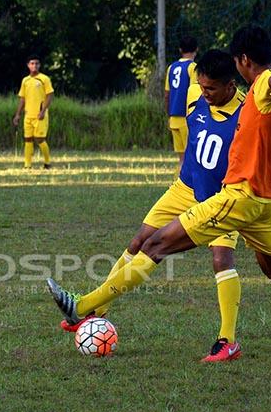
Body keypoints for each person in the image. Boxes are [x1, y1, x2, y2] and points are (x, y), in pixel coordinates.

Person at [47, 26, 271, 370]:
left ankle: (83, 304)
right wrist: (262, 149)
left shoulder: (264, 85)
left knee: (156, 245)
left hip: (238, 196)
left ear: (243, 61)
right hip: (265, 203)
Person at [59, 49, 247, 362]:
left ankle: (227, 340)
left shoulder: (247, 110)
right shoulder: (193, 95)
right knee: (139, 240)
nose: (204, 93)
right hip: (184, 187)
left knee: (221, 259)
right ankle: (96, 306)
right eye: (201, 86)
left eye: (211, 88)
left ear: (230, 85)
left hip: (220, 198)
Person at [13, 54, 54, 169]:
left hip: (40, 115)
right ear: (28, 65)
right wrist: (17, 115)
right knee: (27, 139)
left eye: (36, 63)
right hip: (28, 115)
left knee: (40, 139)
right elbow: (22, 98)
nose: (34, 65)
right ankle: (27, 165)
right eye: (32, 63)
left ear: (39, 65)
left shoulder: (44, 79)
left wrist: (43, 111)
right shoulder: (25, 80)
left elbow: (50, 95)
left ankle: (47, 163)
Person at [165, 36, 198, 169]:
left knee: (181, 159)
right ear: (196, 49)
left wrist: (169, 115)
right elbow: (193, 93)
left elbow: (167, 94)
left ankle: (177, 183)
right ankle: (190, 187)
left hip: (174, 117)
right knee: (192, 157)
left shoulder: (171, 68)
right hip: (187, 118)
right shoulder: (193, 67)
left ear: (180, 50)